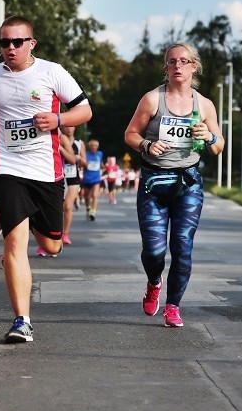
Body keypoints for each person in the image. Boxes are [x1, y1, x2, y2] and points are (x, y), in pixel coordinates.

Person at [0, 15, 92, 343]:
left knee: (51, 244)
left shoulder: (52, 72)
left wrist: (58, 118)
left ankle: (34, 223)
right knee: (14, 244)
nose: (10, 48)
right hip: (8, 169)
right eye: (4, 42)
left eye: (17, 42)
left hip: (46, 171)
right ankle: (22, 320)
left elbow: (85, 110)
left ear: (31, 43)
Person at [123, 42, 224, 328]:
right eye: (172, 62)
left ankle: (173, 305)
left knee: (182, 246)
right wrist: (146, 144)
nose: (177, 66)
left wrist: (210, 137)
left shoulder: (204, 105)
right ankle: (154, 280)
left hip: (188, 182)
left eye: (183, 61)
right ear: (166, 68)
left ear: (194, 66)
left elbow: (219, 146)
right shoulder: (153, 99)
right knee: (154, 250)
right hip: (154, 183)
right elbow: (130, 133)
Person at [58, 125, 82, 246]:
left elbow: (84, 162)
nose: (68, 129)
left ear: (74, 128)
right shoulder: (56, 138)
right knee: (58, 207)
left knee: (67, 206)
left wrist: (80, 158)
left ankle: (65, 234)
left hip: (73, 177)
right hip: (59, 175)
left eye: (71, 126)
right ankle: (55, 234)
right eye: (65, 127)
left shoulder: (79, 143)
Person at [81, 139, 103, 220]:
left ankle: (93, 212)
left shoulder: (100, 154)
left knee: (94, 195)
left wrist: (103, 167)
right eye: (92, 145)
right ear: (89, 147)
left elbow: (100, 163)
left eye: (95, 146)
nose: (94, 147)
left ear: (97, 147)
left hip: (96, 178)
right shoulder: (86, 154)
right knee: (87, 197)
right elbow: (82, 164)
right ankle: (88, 208)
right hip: (87, 178)